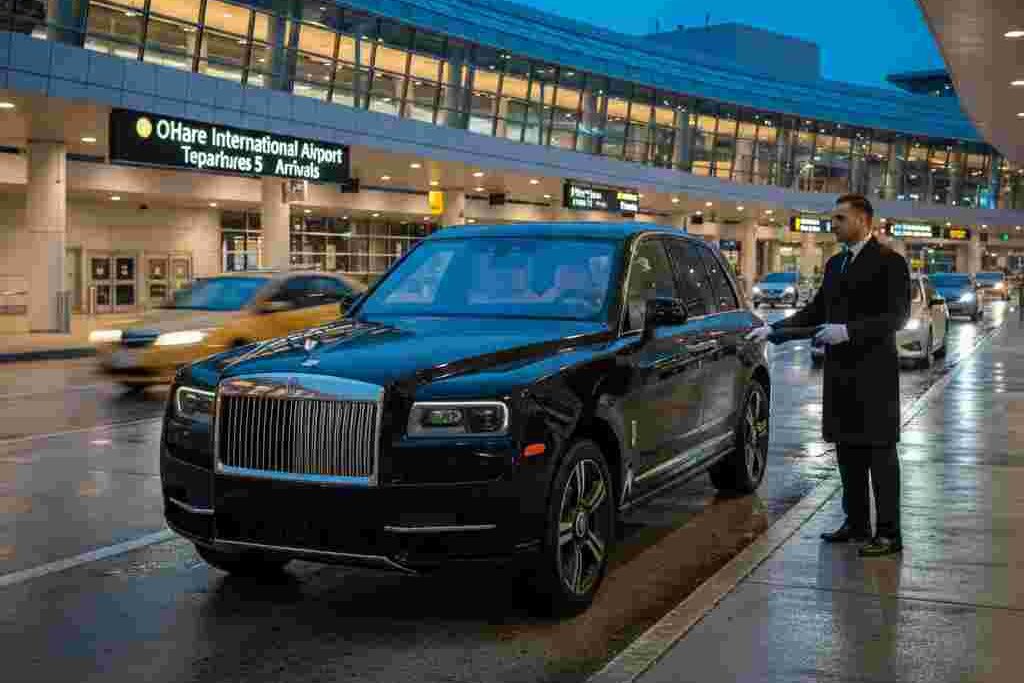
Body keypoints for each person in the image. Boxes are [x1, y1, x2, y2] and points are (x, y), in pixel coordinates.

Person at [746, 194, 911, 557]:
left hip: (875, 375)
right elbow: (817, 310)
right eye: (833, 218)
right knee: (847, 451)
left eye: (840, 219)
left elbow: (897, 317)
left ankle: (889, 533)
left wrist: (849, 331)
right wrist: (775, 330)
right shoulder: (836, 264)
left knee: (880, 454)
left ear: (863, 221)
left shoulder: (890, 262)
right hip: (840, 373)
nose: (832, 225)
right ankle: (856, 523)